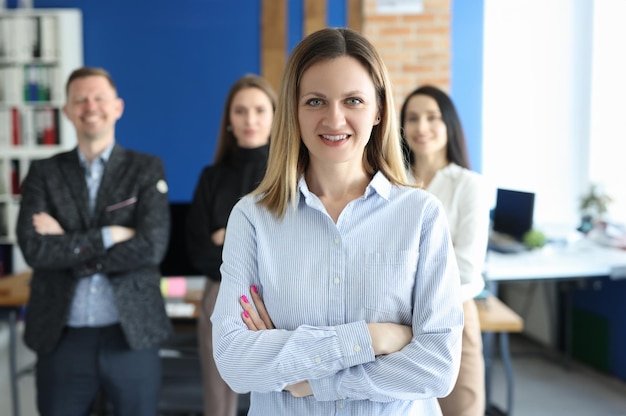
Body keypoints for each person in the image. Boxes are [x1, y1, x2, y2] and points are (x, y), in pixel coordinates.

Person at [211, 27, 464, 415]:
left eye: (353, 100)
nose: (334, 118)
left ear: (379, 109)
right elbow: (235, 361)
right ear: (293, 111)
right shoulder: (252, 217)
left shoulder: (421, 215)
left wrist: (312, 377)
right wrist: (373, 337)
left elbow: (437, 368)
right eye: (315, 101)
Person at [16, 67, 172, 416]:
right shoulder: (44, 173)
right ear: (67, 110)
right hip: (61, 338)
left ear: (117, 107)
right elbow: (34, 248)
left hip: (131, 336)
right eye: (80, 100)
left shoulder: (146, 169)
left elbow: (152, 246)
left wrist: (68, 244)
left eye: (99, 98)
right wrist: (110, 235)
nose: (90, 106)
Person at [186, 74, 276, 416]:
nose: (250, 120)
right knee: (219, 400)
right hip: (220, 295)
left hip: (279, 295)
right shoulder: (212, 177)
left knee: (280, 395)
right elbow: (197, 252)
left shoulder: (292, 172)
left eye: (258, 110)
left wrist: (228, 237)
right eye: (240, 111)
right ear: (229, 120)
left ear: (274, 116)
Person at [400, 85, 491, 416]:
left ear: (449, 124)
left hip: (453, 314)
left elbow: (467, 265)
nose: (421, 127)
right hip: (398, 319)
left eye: (432, 117)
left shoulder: (469, 185)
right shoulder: (393, 183)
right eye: (412, 118)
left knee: (462, 408)